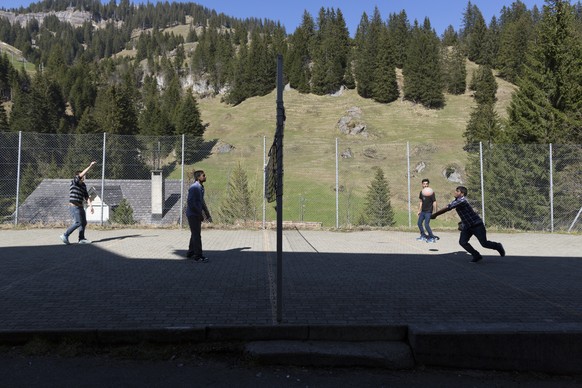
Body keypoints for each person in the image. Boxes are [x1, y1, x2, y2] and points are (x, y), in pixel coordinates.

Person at [431, 186, 505, 263]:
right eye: (456, 191)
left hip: (477, 225)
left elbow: (448, 208)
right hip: (467, 226)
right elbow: (450, 207)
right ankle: (476, 255)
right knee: (463, 242)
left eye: (457, 191)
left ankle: (498, 246)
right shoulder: (456, 200)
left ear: (462, 194)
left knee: (484, 243)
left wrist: (435, 215)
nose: (455, 192)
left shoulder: (462, 201)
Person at [60, 161, 97, 245]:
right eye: (83, 175)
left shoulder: (83, 185)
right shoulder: (74, 181)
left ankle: (81, 239)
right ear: (79, 176)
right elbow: (81, 174)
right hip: (74, 206)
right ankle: (65, 235)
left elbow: (87, 197)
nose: (84, 176)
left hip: (80, 206)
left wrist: (91, 206)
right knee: (78, 223)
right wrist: (90, 166)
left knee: (83, 222)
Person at [186, 169, 212, 262]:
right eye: (203, 175)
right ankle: (198, 256)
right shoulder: (194, 188)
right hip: (193, 214)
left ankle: (191, 252)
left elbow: (202, 202)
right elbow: (191, 202)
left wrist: (207, 213)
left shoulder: (200, 187)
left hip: (196, 213)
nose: (205, 177)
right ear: (198, 177)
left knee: (195, 233)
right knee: (197, 235)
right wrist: (199, 214)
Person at [417, 178, 437, 243]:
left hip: (428, 211)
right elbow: (421, 202)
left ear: (428, 185)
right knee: (419, 223)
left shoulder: (431, 192)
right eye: (424, 184)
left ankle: (432, 237)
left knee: (426, 225)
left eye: (426, 184)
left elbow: (434, 202)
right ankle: (423, 236)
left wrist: (435, 212)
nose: (425, 185)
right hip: (423, 211)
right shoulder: (421, 192)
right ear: (422, 184)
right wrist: (419, 210)